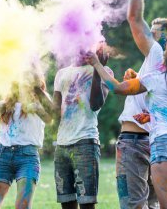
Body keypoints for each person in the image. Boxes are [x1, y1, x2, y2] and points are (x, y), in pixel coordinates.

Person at [86, 32, 167, 209]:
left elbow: (116, 88)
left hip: (165, 147)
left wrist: (96, 63)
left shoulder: (156, 78)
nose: (164, 51)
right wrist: (151, 116)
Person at [115, 0, 167, 208]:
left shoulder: (157, 52)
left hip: (134, 142)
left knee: (132, 205)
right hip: (159, 141)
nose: (148, 38)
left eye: (154, 35)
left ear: (166, 39)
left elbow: (133, 17)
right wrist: (138, 79)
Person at [51, 42, 113, 209]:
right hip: (61, 145)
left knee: (87, 204)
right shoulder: (61, 73)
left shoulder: (104, 71)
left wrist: (97, 69)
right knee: (66, 203)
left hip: (86, 142)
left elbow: (96, 104)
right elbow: (55, 113)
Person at [0, 78, 52, 209]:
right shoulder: (8, 104)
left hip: (27, 157)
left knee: (23, 206)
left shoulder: (41, 100)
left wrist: (35, 107)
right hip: (2, 156)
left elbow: (49, 118)